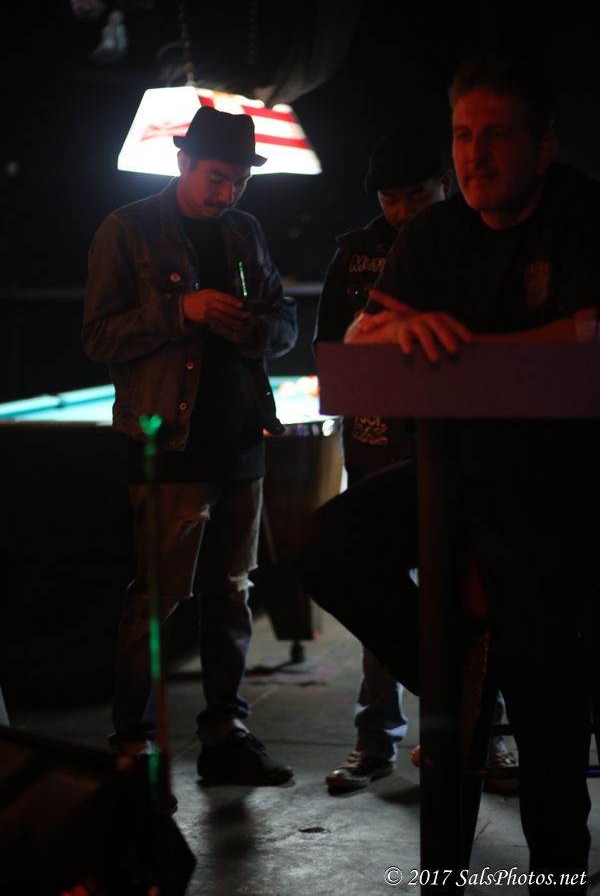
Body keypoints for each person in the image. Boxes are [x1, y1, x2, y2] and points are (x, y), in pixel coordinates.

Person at [295, 53, 600, 883]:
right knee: (320, 544)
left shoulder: (580, 213)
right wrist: (399, 331)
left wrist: (465, 352)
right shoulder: (434, 233)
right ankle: (453, 663)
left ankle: (557, 873)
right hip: (454, 474)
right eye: (463, 136)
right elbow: (357, 346)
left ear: (543, 146)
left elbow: (589, 343)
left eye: (496, 136)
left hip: (557, 492)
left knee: (545, 706)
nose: (474, 155)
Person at [82, 106, 297, 787]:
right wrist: (185, 311)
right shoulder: (127, 229)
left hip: (241, 441)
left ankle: (225, 737)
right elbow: (99, 336)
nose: (227, 193)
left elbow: (286, 321)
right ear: (182, 164)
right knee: (158, 598)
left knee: (231, 596)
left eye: (239, 182)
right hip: (170, 446)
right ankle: (132, 744)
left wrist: (253, 329)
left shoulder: (245, 230)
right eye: (215, 178)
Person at [315, 126, 452, 791]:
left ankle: (478, 735)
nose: (401, 211)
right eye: (390, 199)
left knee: (467, 592)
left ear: (444, 185)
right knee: (379, 594)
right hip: (376, 444)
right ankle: (376, 741)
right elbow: (331, 356)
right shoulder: (355, 255)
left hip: (458, 449)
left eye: (415, 196)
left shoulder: (470, 241)